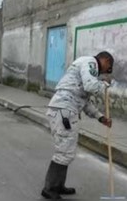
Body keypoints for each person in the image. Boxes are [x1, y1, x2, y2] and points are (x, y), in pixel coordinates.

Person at [41, 51, 114, 199]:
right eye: (108, 67)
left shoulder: (85, 66)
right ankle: (49, 188)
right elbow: (90, 86)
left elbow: (85, 101)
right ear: (104, 59)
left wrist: (101, 118)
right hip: (64, 111)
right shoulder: (91, 63)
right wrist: (104, 85)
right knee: (64, 151)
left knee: (66, 150)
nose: (105, 72)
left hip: (65, 110)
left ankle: (58, 185)